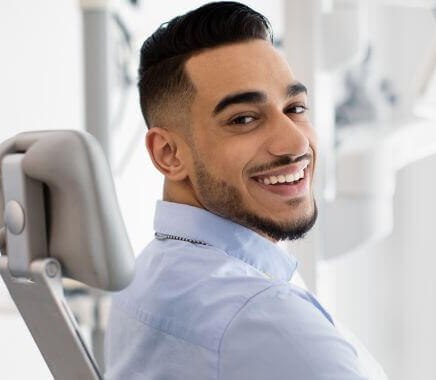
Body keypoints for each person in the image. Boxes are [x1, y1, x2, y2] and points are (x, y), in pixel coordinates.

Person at [105, 2, 384, 379]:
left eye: (295, 107)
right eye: (244, 119)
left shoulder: (148, 274)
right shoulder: (266, 318)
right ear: (169, 154)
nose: (293, 142)